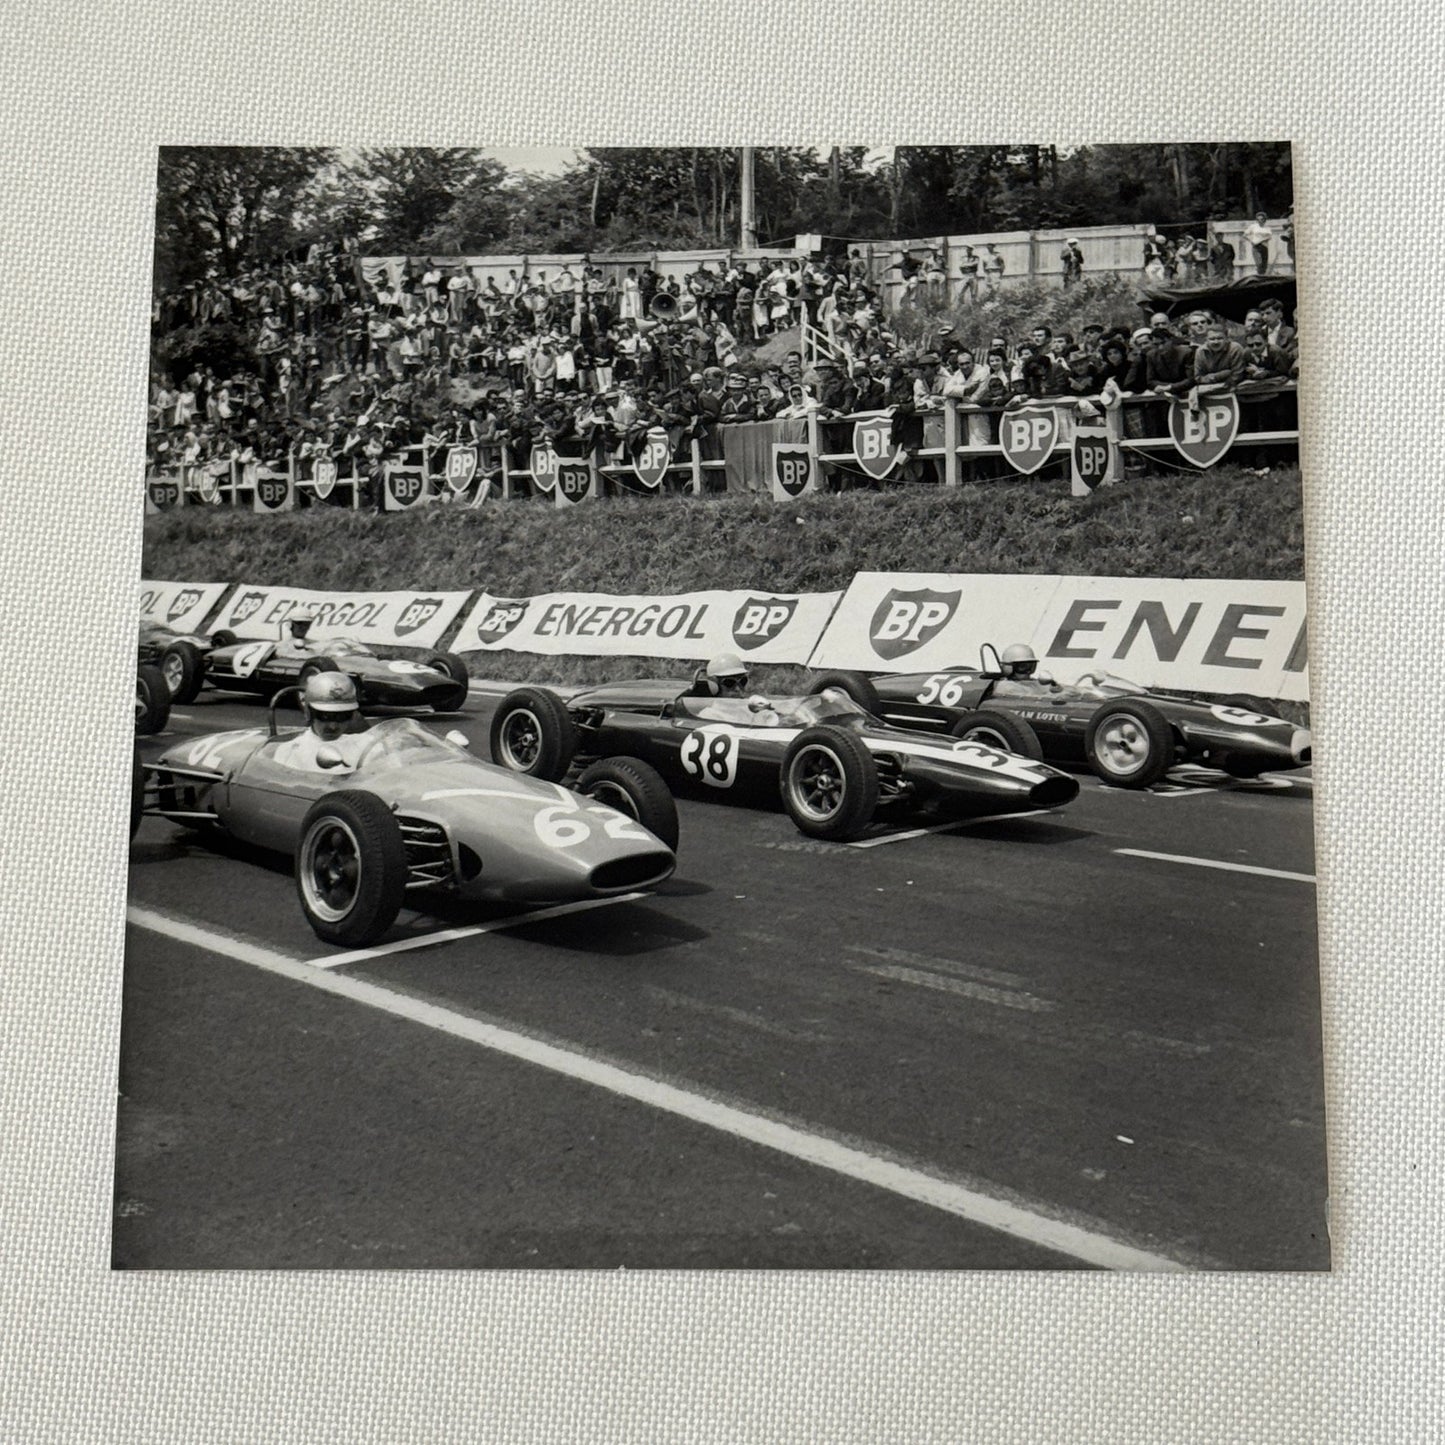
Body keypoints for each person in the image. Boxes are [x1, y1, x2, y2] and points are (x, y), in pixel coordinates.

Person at [272, 673, 371, 772]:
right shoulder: (291, 752)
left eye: (343, 716)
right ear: (309, 713)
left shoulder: (366, 744)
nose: (333, 726)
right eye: (325, 716)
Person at [684, 653, 750, 698]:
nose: (738, 689)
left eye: (743, 681)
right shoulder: (708, 715)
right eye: (729, 682)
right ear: (714, 687)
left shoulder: (748, 713)